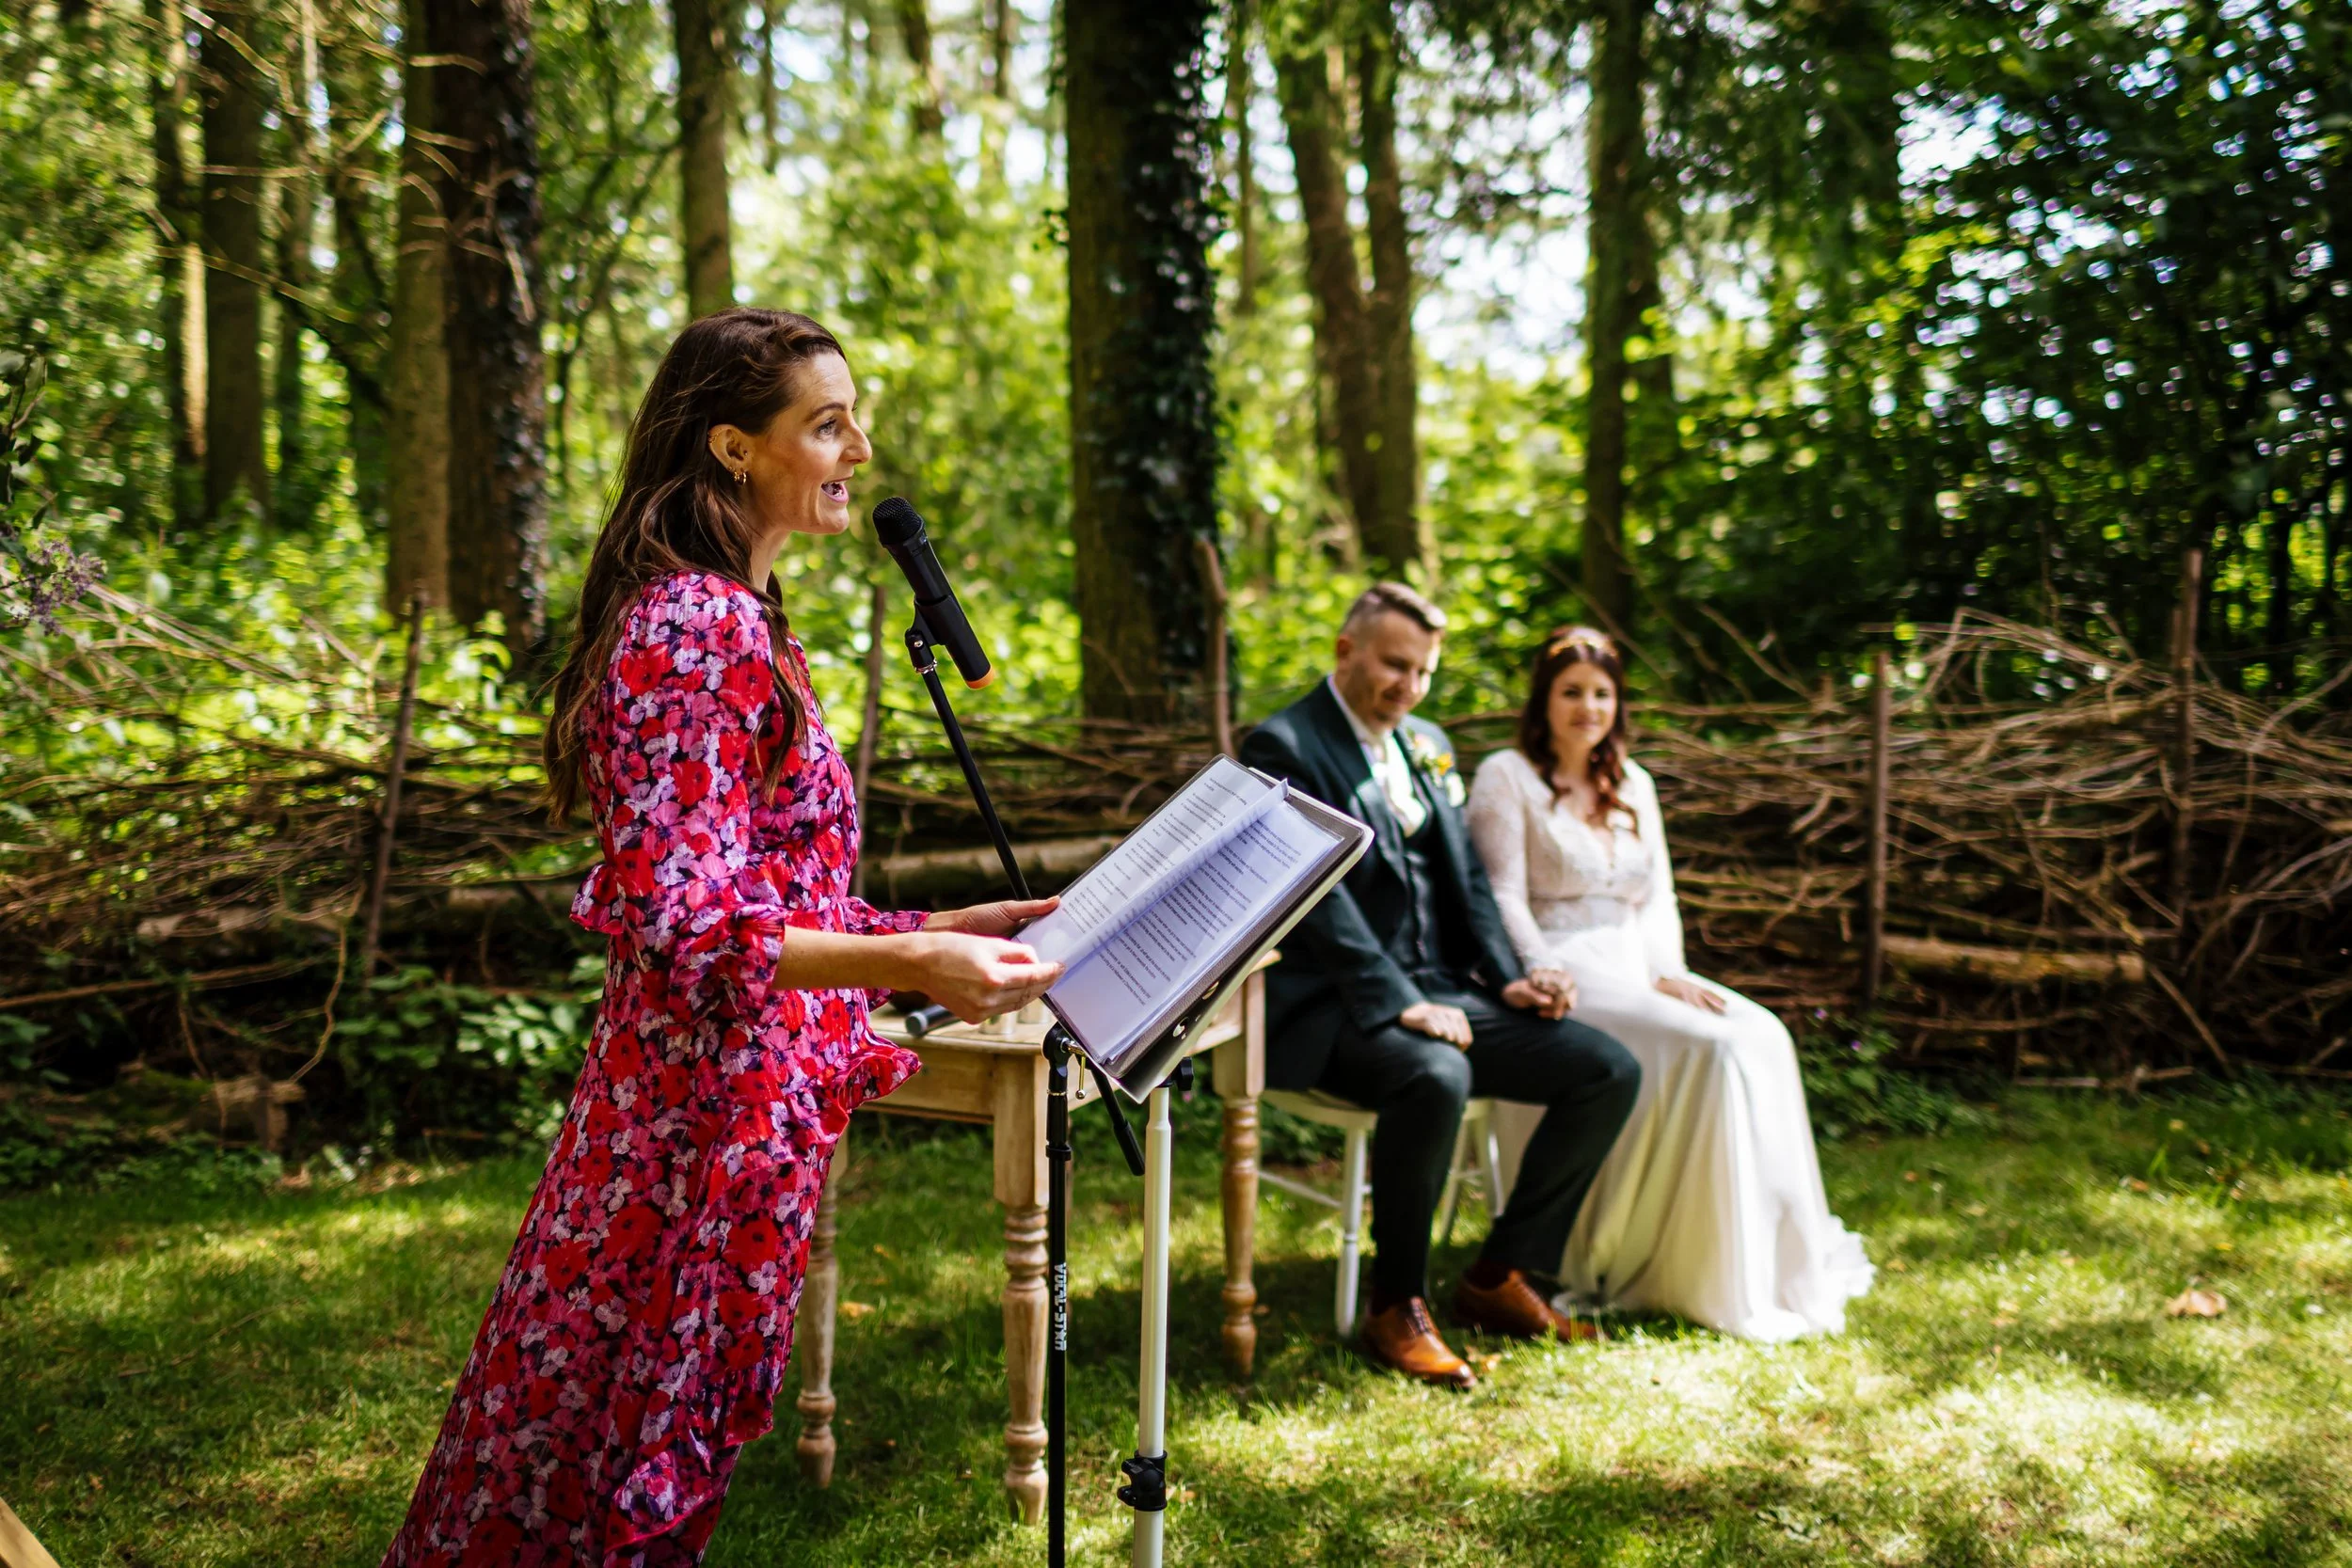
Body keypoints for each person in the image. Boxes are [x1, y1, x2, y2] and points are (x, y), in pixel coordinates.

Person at [380, 309, 1064, 1568]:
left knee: (636, 1437)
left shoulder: (745, 618)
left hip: (746, 1110)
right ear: (733, 447)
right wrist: (912, 967)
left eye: (852, 416)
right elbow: (690, 930)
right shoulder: (697, 627)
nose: (860, 444)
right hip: (691, 1128)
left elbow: (767, 898)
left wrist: (936, 924)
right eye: (827, 421)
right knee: (623, 1444)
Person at [1237, 584, 1642, 1389]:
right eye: (1395, 665)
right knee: (1434, 1072)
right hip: (1334, 1006)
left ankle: (1503, 1274)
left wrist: (1510, 979)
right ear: (1346, 650)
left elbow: (1465, 880)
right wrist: (1400, 1001)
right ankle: (1397, 1304)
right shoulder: (1283, 743)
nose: (1410, 687)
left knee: (1605, 1068)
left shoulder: (1425, 741)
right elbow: (1317, 900)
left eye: (1423, 671)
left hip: (1442, 989)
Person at [1467, 626, 1873, 1341]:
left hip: (1636, 960)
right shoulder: (1506, 774)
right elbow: (1501, 892)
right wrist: (1540, 967)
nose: (1587, 706)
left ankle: (1768, 1262)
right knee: (1711, 1048)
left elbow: (1657, 900)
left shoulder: (1634, 783)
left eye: (1600, 692)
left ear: (1617, 702)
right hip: (1564, 961)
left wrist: (1670, 972)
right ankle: (1665, 1259)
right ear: (1544, 698)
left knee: (1761, 1033)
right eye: (1571, 692)